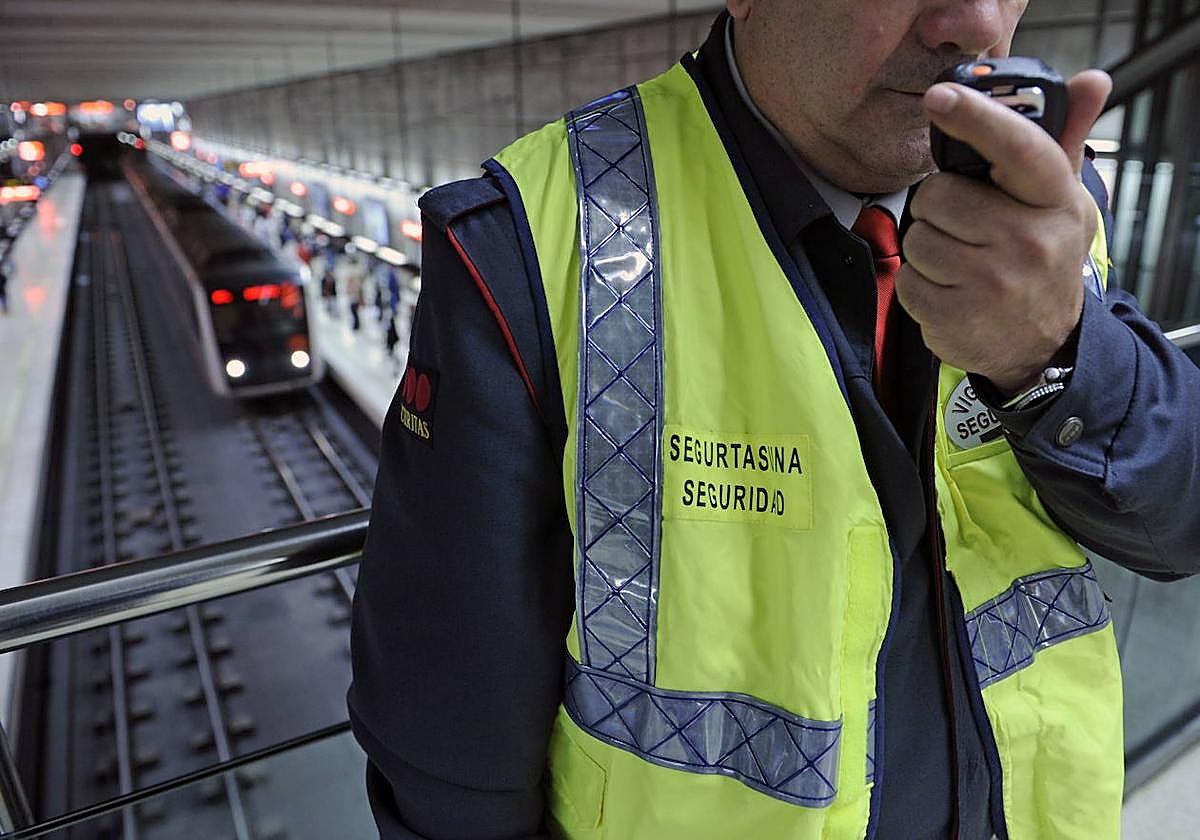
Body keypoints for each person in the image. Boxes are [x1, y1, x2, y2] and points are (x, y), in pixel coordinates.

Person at [349, 3, 1200, 839]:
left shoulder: (1047, 207)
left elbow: (1177, 523)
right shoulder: (533, 238)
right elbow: (450, 748)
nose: (974, 24)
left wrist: (1052, 352)